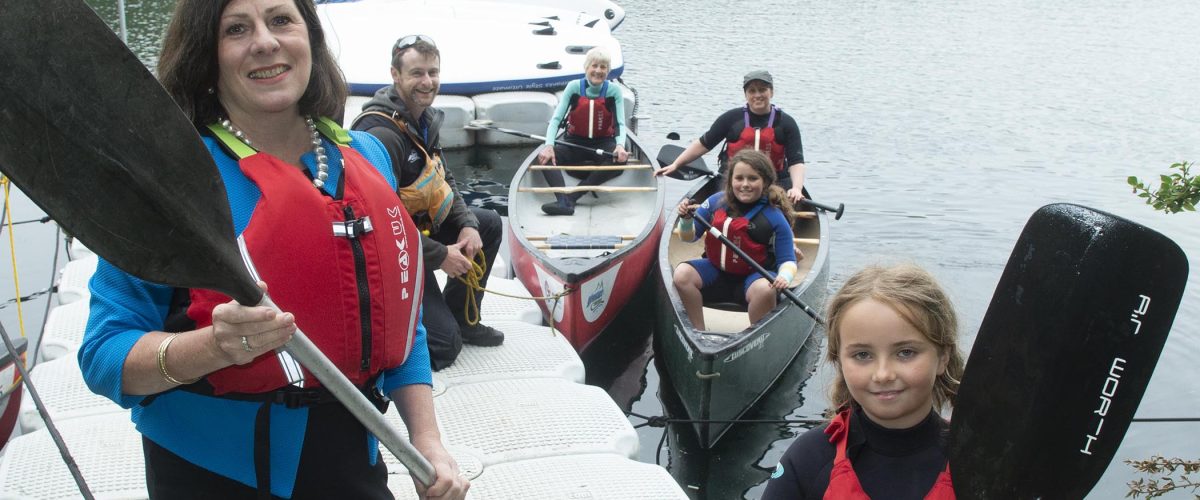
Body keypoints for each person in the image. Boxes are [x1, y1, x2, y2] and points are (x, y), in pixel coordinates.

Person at [78, 1, 467, 498]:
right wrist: (211, 348)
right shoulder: (168, 182)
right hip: (210, 472)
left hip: (350, 455)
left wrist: (427, 442)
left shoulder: (368, 156)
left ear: (311, 38)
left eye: (281, 20)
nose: (265, 41)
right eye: (236, 28)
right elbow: (102, 355)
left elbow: (401, 318)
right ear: (207, 54)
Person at [351, 35, 506, 371]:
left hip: (418, 231)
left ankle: (462, 319)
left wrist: (467, 223)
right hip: (391, 252)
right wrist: (439, 255)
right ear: (395, 74)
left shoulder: (424, 120)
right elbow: (378, 223)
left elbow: (442, 177)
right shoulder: (379, 135)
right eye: (416, 73)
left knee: (488, 223)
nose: (427, 82)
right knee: (442, 346)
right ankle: (395, 335)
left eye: (433, 72)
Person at [761, 264, 966, 499]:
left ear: (943, 357)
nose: (883, 374)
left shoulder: (978, 460)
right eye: (863, 355)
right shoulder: (809, 458)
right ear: (840, 361)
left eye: (906, 352)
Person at [673, 149, 797, 330]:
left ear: (765, 182)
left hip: (753, 279)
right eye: (739, 178)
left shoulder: (774, 217)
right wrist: (685, 220)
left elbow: (788, 260)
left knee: (766, 288)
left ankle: (754, 337)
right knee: (682, 274)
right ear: (731, 180)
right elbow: (688, 238)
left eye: (753, 178)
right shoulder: (715, 202)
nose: (745, 184)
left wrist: (784, 277)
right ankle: (698, 331)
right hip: (716, 273)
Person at [656, 70, 808, 204]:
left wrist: (796, 188)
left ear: (771, 92)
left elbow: (796, 161)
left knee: (781, 210)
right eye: (752, 91)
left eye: (762, 90)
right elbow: (704, 144)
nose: (757, 95)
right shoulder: (731, 119)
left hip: (774, 183)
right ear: (745, 94)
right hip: (733, 181)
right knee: (723, 209)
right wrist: (676, 164)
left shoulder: (786, 123)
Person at [536, 47, 629, 216]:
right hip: (574, 142)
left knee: (620, 161)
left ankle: (571, 198)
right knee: (544, 158)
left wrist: (620, 145)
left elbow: (620, 124)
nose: (598, 71)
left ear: (608, 71)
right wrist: (549, 145)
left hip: (603, 143)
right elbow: (556, 120)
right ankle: (562, 200)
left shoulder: (613, 91)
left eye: (603, 67)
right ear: (586, 68)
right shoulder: (574, 87)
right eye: (594, 66)